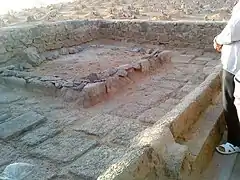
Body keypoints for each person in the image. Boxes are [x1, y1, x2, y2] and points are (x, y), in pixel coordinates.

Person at [214, 1, 240, 154]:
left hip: (235, 65)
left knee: (230, 101)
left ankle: (234, 142)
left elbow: (233, 29)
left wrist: (218, 40)